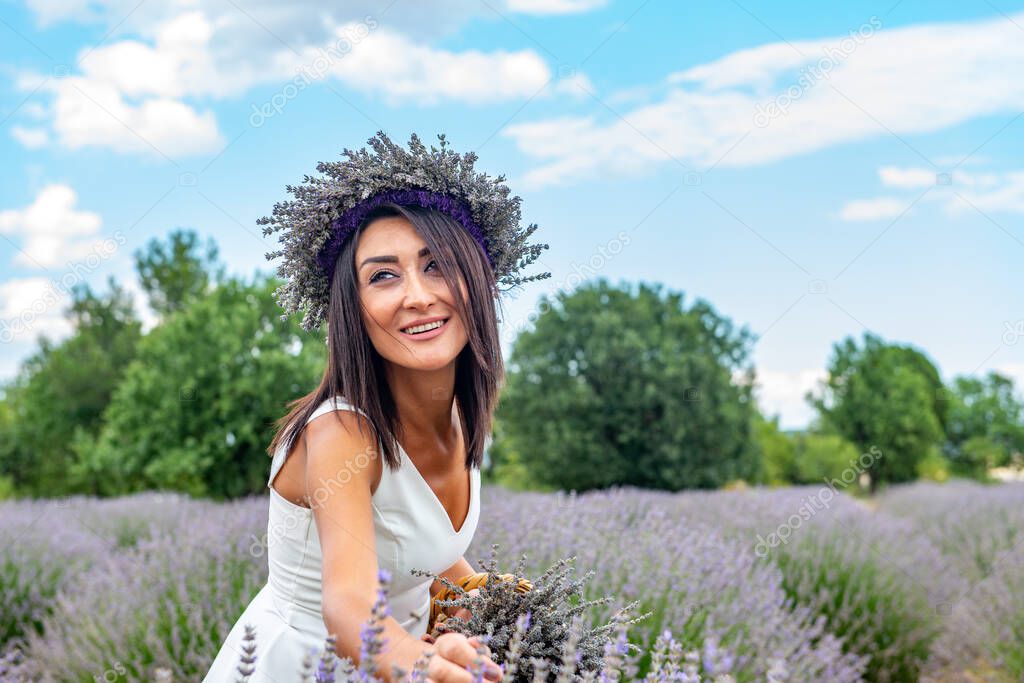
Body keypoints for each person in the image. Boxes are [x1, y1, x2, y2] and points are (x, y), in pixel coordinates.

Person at [202, 131, 550, 682]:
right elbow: (349, 608)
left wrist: (486, 598)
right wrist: (429, 664)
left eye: (437, 264)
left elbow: (414, 543)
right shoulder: (343, 432)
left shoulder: (457, 415)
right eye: (383, 275)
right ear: (353, 308)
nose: (417, 294)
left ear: (479, 280)